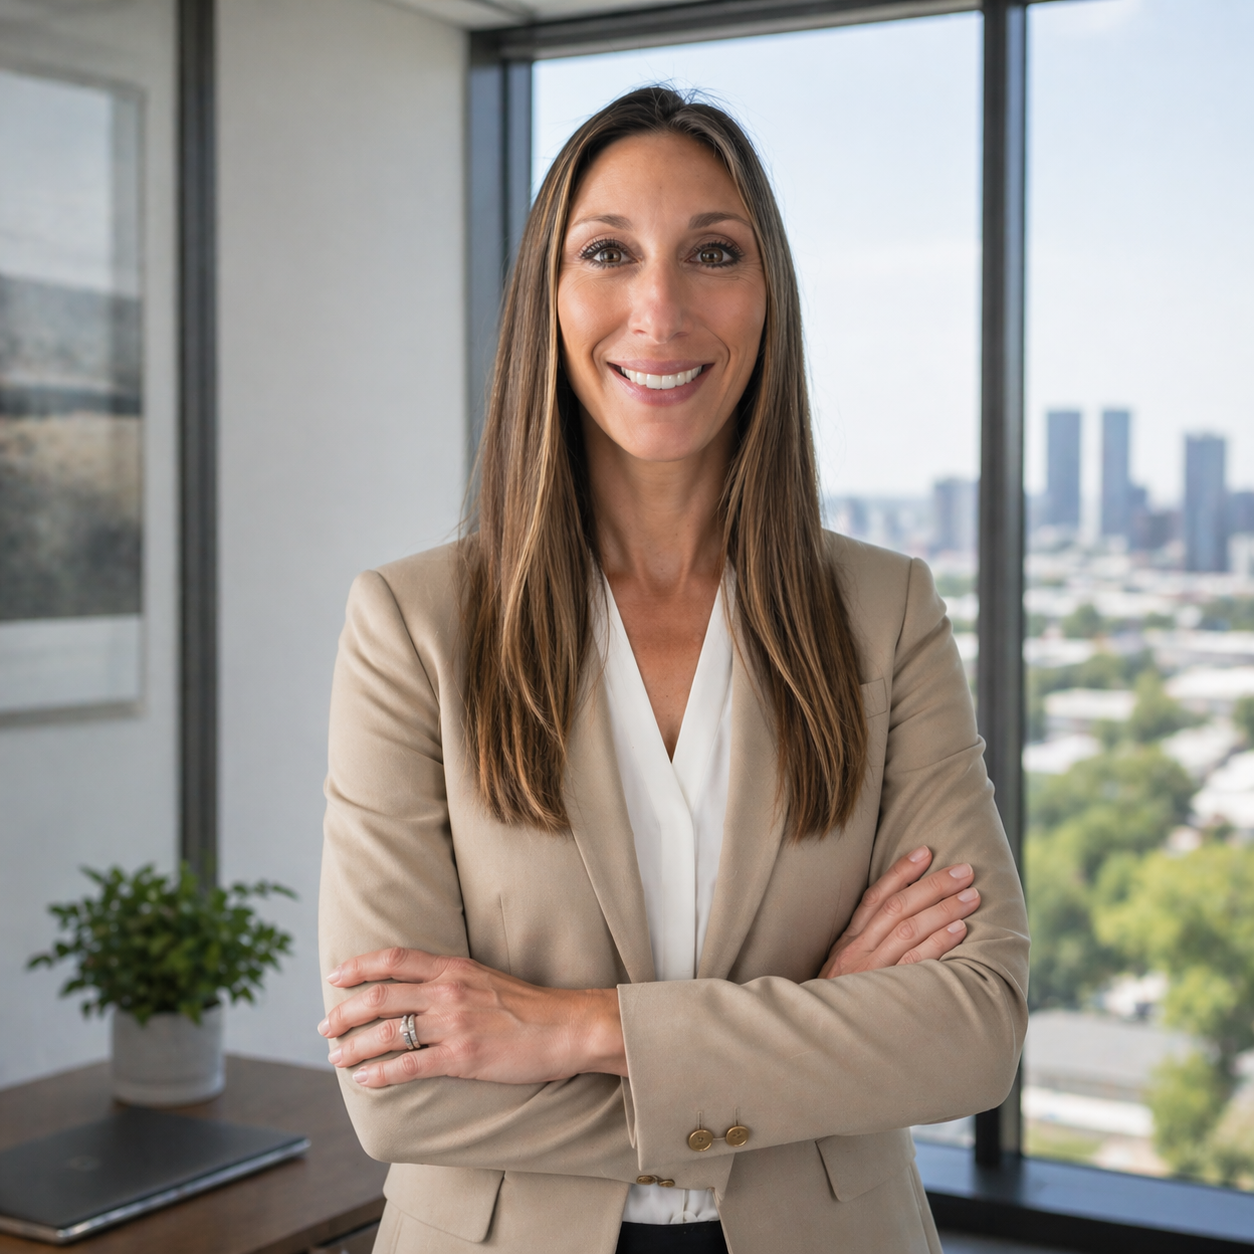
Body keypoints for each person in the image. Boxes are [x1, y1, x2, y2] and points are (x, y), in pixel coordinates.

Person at [318, 86, 1028, 1254]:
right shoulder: (414, 626)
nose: (660, 307)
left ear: (768, 300)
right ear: (549, 298)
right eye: (608, 252)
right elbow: (405, 1091)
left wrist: (575, 1028)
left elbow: (975, 1030)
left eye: (712, 253)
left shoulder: (881, 611)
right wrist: (820, 1035)